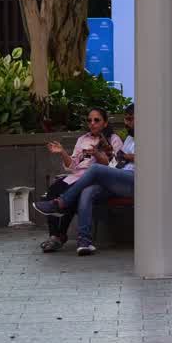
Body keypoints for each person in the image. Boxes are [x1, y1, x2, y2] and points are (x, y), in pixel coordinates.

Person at [32, 105, 136, 254]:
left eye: (96, 120)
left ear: (105, 123)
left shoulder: (116, 139)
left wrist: (101, 154)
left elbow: (113, 164)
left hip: (123, 179)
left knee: (87, 178)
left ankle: (61, 206)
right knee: (63, 191)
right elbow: (75, 165)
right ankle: (82, 241)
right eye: (89, 120)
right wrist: (62, 152)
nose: (92, 123)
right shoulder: (85, 139)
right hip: (90, 177)